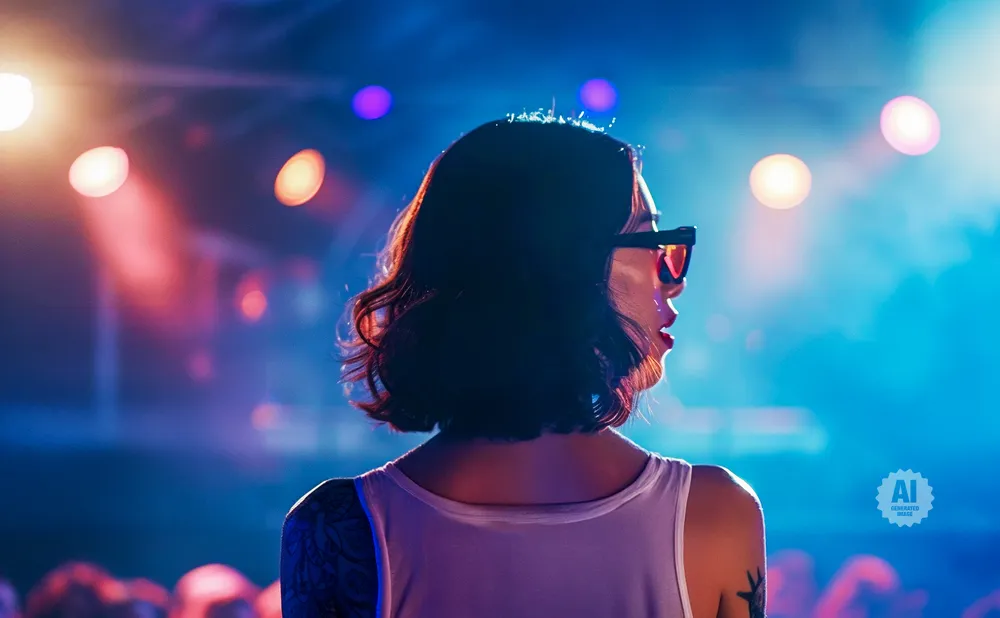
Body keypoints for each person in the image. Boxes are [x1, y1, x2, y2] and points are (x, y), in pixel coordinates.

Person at [280, 113, 766, 618]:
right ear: (563, 265)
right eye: (651, 243)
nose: (675, 277)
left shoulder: (336, 528)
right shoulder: (714, 516)